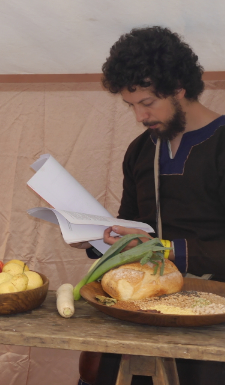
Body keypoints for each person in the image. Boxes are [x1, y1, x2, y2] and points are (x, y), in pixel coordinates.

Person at [72, 27, 225, 385]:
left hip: (213, 314)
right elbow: (136, 230)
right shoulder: (141, 150)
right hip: (144, 306)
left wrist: (166, 249)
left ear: (179, 88)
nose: (140, 116)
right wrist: (98, 238)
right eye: (132, 105)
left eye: (147, 103)